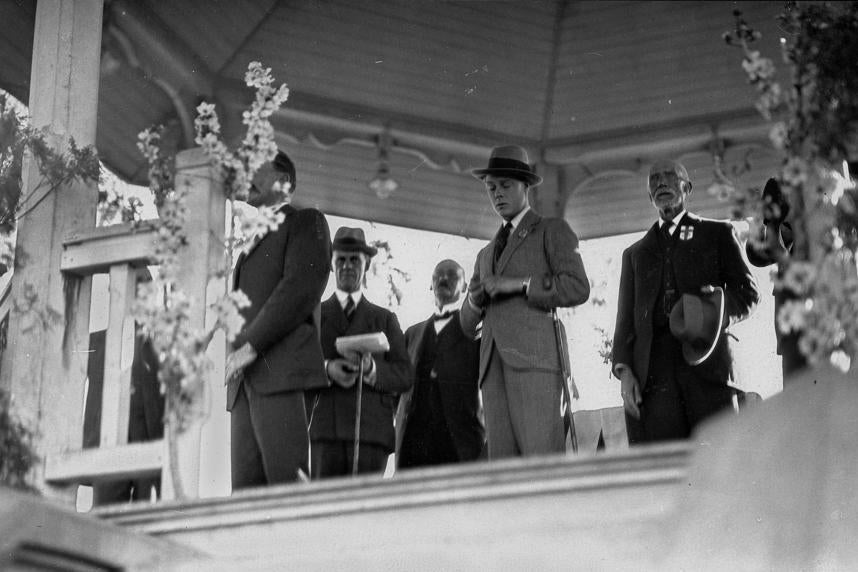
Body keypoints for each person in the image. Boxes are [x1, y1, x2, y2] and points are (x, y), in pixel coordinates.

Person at [612, 159, 760, 444]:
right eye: (654, 179)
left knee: (719, 462)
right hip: (654, 379)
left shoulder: (718, 234)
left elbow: (749, 294)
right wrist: (624, 371)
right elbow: (624, 323)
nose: (661, 183)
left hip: (708, 364)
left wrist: (712, 310)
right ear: (648, 196)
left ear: (687, 187)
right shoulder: (634, 255)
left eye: (669, 176)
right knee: (666, 472)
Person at [459, 145, 590, 460]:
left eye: (505, 185)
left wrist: (519, 285)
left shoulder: (551, 230)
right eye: (492, 188)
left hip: (536, 364)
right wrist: (474, 300)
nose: (497, 194)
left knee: (541, 461)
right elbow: (465, 324)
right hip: (491, 369)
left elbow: (578, 287)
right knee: (503, 470)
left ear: (525, 186)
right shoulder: (485, 253)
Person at [224, 150, 332, 490]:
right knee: (245, 495)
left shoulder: (305, 222)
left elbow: (299, 289)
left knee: (287, 490)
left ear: (285, 183)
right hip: (244, 384)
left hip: (280, 374)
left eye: (257, 168)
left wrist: (250, 347)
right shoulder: (248, 245)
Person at [308, 227, 413, 478]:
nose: (347, 266)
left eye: (355, 259)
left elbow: (404, 375)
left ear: (366, 264)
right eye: (340, 259)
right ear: (331, 265)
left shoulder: (385, 319)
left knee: (367, 514)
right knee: (326, 511)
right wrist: (327, 368)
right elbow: (295, 365)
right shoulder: (313, 316)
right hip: (327, 431)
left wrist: (371, 369)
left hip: (371, 434)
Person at [395, 259, 485, 470]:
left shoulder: (477, 331)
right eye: (438, 275)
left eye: (452, 275)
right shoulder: (412, 334)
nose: (444, 279)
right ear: (430, 283)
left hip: (459, 444)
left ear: (464, 286)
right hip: (413, 444)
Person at [744, 177, 803, 378]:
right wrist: (769, 222)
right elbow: (756, 254)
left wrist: (773, 226)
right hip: (791, 335)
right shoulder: (789, 240)